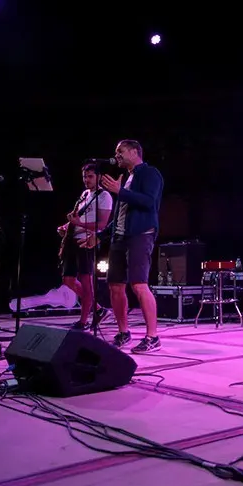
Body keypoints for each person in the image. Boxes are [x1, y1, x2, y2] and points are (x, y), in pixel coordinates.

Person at [83, 139, 164, 353]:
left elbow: (149, 202)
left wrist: (121, 191)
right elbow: (119, 216)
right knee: (115, 285)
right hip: (119, 237)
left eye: (120, 151)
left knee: (138, 285)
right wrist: (100, 236)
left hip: (140, 235)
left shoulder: (150, 174)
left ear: (135, 152)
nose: (116, 155)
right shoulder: (127, 179)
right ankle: (123, 332)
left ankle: (152, 337)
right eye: (115, 151)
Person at [58, 163, 112, 330]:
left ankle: (83, 321)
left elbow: (102, 224)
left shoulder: (104, 196)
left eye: (90, 176)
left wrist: (79, 223)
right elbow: (78, 218)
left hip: (86, 241)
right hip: (73, 241)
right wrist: (67, 227)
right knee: (67, 280)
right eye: (84, 176)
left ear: (98, 177)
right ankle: (98, 309)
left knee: (86, 281)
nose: (86, 180)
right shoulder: (84, 194)